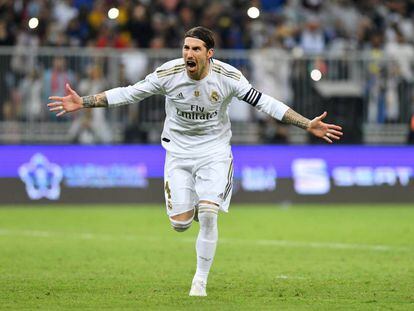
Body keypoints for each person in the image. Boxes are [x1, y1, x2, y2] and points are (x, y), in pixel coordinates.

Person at [48, 26, 343, 296]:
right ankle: (193, 213)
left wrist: (307, 124)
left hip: (214, 151)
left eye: (196, 49)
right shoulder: (168, 74)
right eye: (186, 48)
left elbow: (266, 102)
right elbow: (129, 93)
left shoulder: (229, 78)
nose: (188, 54)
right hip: (177, 152)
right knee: (180, 225)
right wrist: (84, 101)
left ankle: (199, 280)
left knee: (209, 213)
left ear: (209, 54)